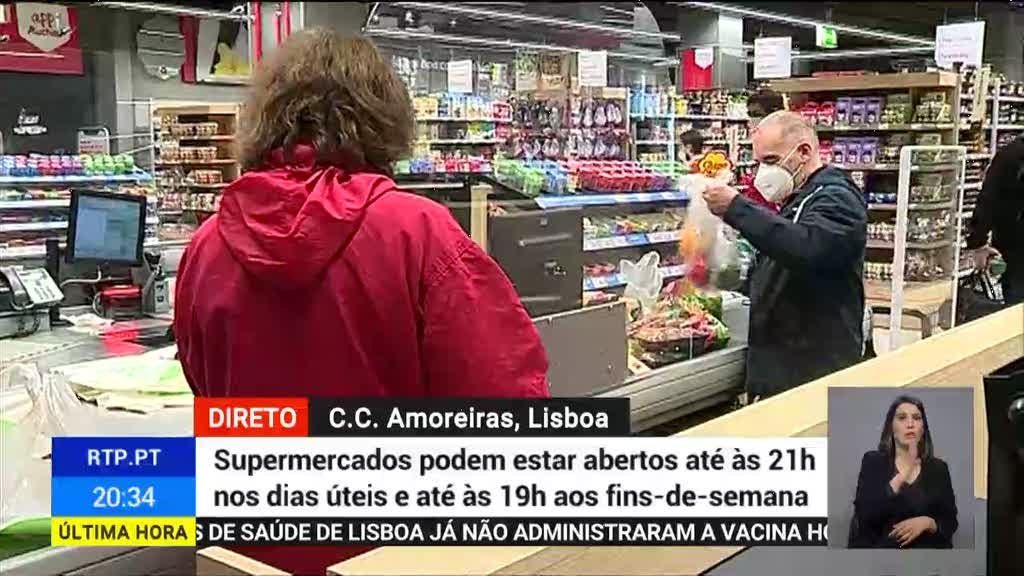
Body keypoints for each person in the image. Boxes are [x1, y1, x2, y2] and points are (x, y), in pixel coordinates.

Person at [173, 29, 549, 574]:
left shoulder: (208, 244)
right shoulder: (418, 234)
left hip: (245, 553)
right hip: (391, 556)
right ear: (384, 118)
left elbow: (204, 382)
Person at [702, 111, 866, 399]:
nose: (762, 173)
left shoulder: (837, 197)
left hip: (814, 368)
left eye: (771, 161)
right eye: (759, 163)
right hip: (786, 361)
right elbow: (782, 255)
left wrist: (736, 208)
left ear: (804, 152)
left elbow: (808, 248)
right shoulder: (800, 198)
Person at [848, 396, 958, 548]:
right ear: (891, 428)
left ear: (923, 429)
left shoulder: (939, 469)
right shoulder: (873, 462)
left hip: (925, 557)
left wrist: (928, 523)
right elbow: (865, 516)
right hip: (881, 555)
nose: (910, 424)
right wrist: (902, 475)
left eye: (916, 418)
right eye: (902, 418)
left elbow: (950, 521)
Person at [965, 133, 1024, 305]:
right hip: (1015, 250)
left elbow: (988, 200)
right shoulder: (1011, 155)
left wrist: (978, 242)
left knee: (1015, 310)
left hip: (1015, 250)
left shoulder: (1010, 154)